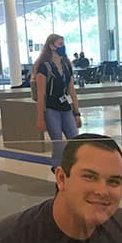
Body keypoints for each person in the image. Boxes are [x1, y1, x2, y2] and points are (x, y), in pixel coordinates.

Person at [34, 33, 82, 171]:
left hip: (66, 108)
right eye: (60, 44)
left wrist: (76, 112)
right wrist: (40, 118)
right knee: (57, 142)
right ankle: (57, 168)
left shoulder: (67, 66)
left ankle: (73, 168)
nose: (63, 47)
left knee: (74, 139)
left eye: (63, 44)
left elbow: (72, 91)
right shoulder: (44, 68)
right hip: (51, 109)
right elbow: (41, 94)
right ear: (51, 46)